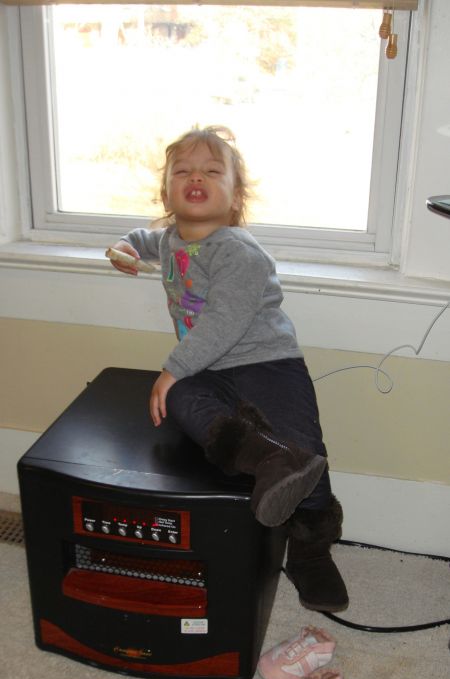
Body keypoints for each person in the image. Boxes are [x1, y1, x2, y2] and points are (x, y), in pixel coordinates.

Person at [108, 125, 348, 612]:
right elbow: (144, 239)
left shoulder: (238, 251)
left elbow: (225, 321)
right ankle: (266, 459)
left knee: (304, 444)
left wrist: (173, 368)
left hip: (267, 361)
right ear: (167, 193)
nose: (196, 178)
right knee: (178, 400)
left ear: (235, 196)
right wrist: (125, 247)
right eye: (183, 171)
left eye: (212, 172)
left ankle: (311, 550)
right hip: (209, 365)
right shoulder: (172, 239)